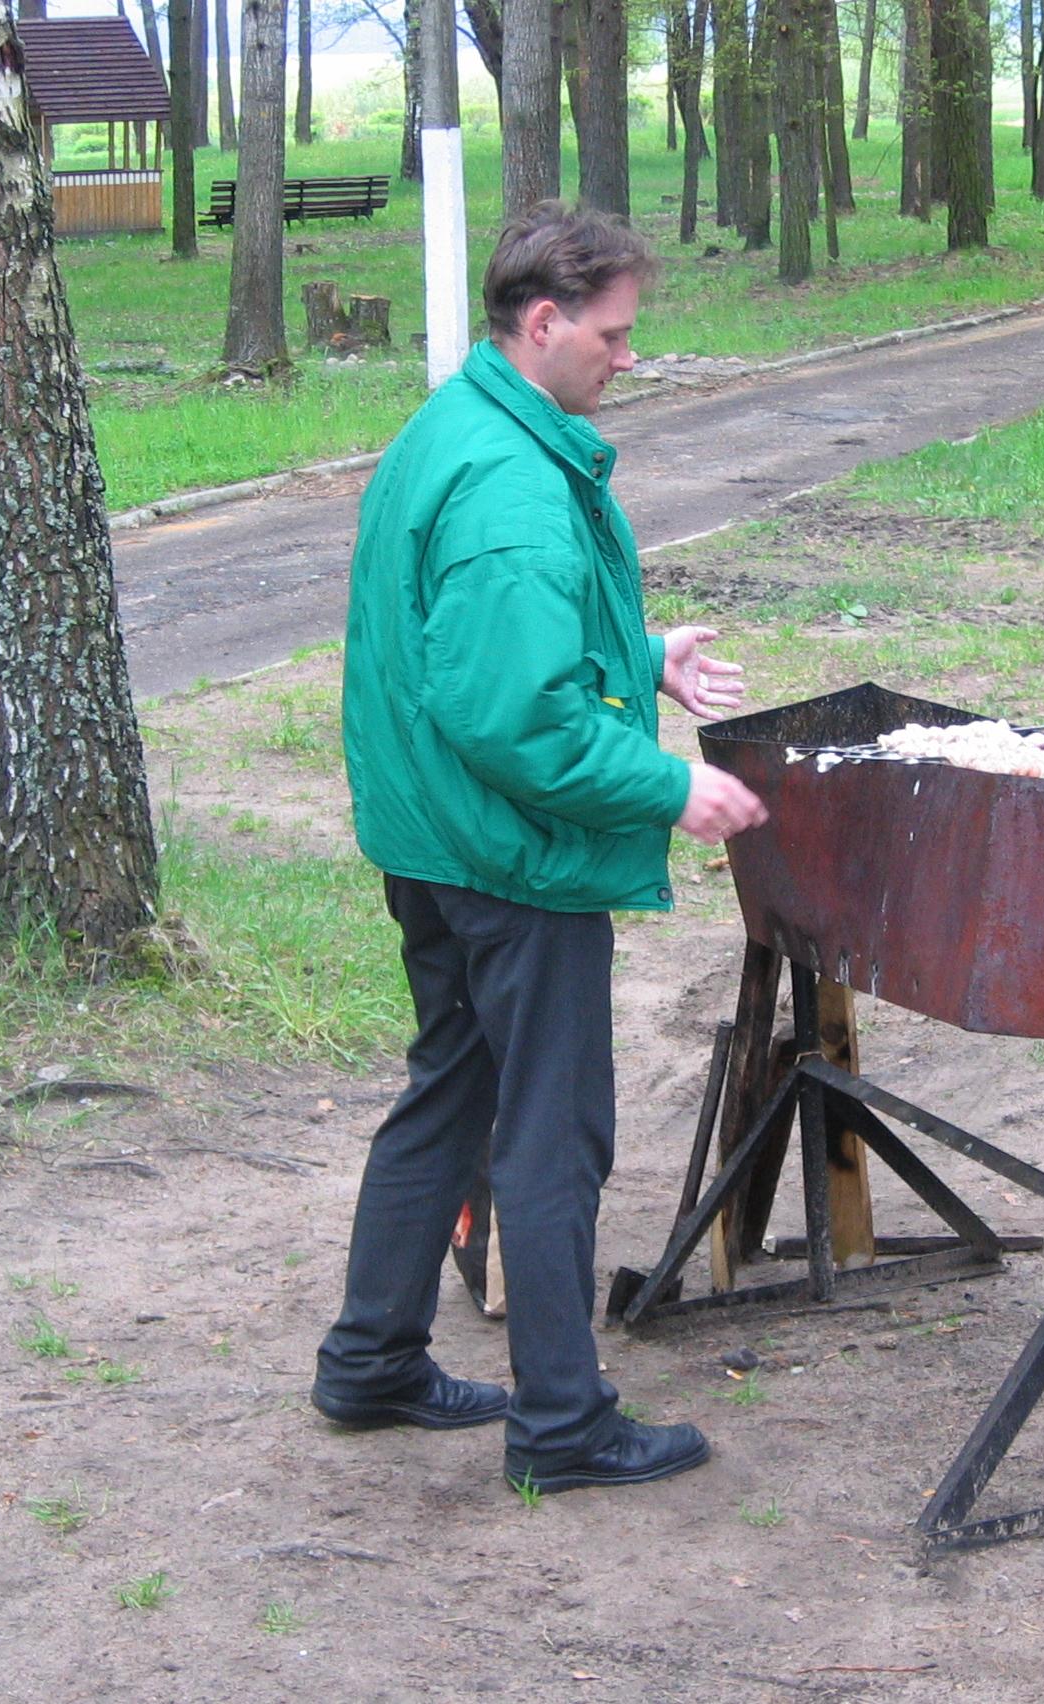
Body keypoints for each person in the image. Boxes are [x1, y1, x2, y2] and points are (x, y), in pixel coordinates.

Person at [312, 203, 768, 1492]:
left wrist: (639, 653)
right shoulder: (510, 487)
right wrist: (668, 787)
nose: (628, 356)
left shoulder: (458, 421)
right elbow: (515, 718)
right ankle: (563, 1423)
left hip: (433, 839)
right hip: (508, 856)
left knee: (450, 1094)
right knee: (553, 1132)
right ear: (545, 321)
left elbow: (469, 647)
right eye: (612, 336)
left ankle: (372, 1362)